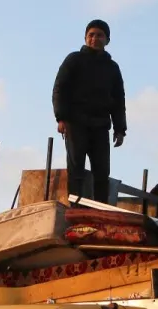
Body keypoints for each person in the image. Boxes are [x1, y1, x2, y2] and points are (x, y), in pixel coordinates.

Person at [51, 19, 126, 203]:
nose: (95, 38)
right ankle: (75, 208)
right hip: (75, 123)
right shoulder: (74, 60)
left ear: (107, 40)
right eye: (91, 35)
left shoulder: (112, 68)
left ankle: (100, 210)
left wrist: (120, 128)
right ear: (85, 38)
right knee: (76, 169)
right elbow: (60, 88)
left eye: (99, 35)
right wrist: (61, 117)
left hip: (100, 125)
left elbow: (118, 99)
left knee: (102, 172)